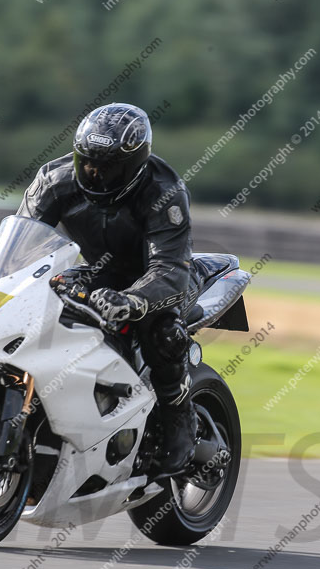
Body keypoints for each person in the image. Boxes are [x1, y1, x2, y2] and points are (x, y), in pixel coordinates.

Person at [17, 102, 199, 477]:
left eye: (109, 166)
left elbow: (169, 268)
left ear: (136, 165)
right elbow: (22, 243)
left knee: (161, 330)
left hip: (158, 276)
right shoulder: (54, 181)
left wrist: (133, 300)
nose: (95, 173)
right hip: (97, 273)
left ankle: (179, 413)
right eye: (87, 162)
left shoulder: (163, 192)